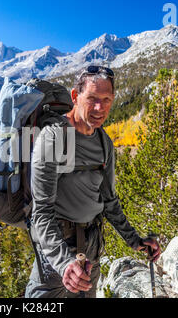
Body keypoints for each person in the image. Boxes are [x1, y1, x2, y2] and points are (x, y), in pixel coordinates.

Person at [25, 65, 161, 298]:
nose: (100, 108)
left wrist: (135, 240)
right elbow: (42, 213)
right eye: (92, 99)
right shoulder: (53, 137)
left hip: (92, 249)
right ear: (75, 97)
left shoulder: (104, 142)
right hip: (56, 252)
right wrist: (64, 263)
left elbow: (109, 201)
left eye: (106, 100)